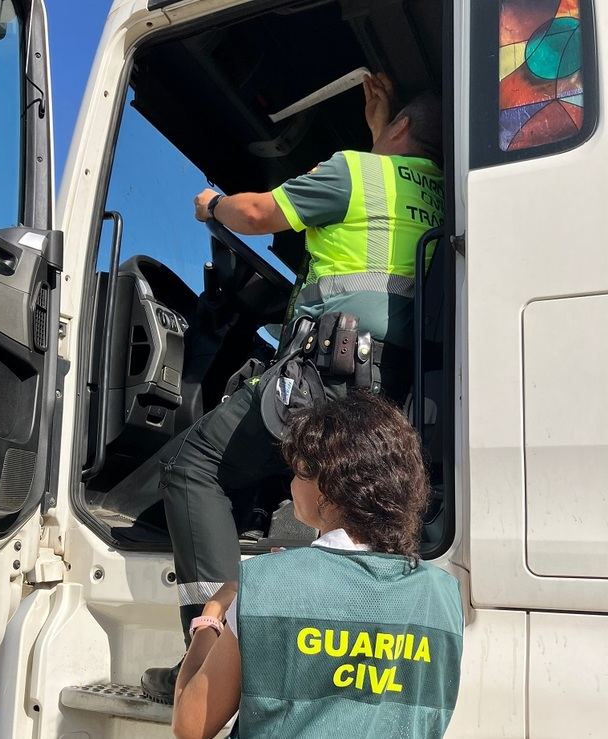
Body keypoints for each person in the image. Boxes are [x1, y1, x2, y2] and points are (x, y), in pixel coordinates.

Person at [141, 74, 445, 703]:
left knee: (192, 470)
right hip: (395, 394)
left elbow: (255, 214)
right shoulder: (445, 197)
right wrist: (381, 131)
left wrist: (209, 205)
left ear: (402, 129)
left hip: (327, 381)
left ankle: (211, 661)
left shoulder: (353, 173)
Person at [171, 392, 463, 739]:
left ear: (328, 485)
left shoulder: (266, 584)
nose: (291, 484)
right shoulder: (442, 596)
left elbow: (190, 725)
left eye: (299, 472)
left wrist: (209, 619)